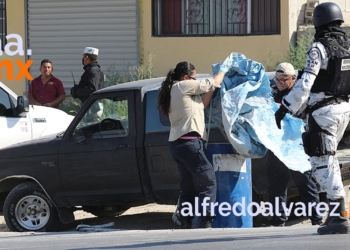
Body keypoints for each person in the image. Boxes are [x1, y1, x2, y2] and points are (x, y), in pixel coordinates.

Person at [275, 2, 350, 235]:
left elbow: (306, 83)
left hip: (323, 113)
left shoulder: (319, 47)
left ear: (318, 22)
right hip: (344, 110)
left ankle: (339, 216)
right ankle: (336, 214)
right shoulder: (348, 46)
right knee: (330, 160)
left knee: (321, 162)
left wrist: (284, 108)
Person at [157, 61, 226, 229]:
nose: (195, 81)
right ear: (186, 77)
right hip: (190, 143)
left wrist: (212, 88)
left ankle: (185, 221)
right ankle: (206, 222)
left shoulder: (175, 90)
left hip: (178, 144)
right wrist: (224, 70)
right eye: (194, 78)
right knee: (208, 180)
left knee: (188, 186)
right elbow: (213, 82)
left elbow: (202, 105)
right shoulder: (183, 85)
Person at [264, 62, 322, 227]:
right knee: (276, 186)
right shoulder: (273, 94)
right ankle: (278, 221)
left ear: (293, 79)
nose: (279, 83)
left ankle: (316, 219)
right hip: (277, 148)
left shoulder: (299, 95)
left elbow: (299, 113)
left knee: (305, 184)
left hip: (297, 147)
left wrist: (280, 108)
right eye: (277, 79)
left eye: (283, 80)